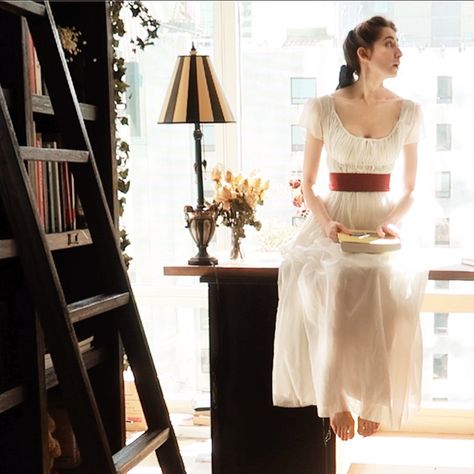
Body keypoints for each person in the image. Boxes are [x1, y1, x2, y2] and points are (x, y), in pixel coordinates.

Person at [272, 16, 429, 441]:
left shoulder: (409, 111)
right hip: (335, 220)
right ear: (364, 54)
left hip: (380, 223)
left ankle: (375, 398)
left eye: (399, 44)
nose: (399, 53)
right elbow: (307, 181)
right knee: (335, 281)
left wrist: (388, 224)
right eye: (390, 44)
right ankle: (335, 397)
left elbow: (412, 187)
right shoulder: (324, 107)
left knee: (388, 286)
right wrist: (326, 224)